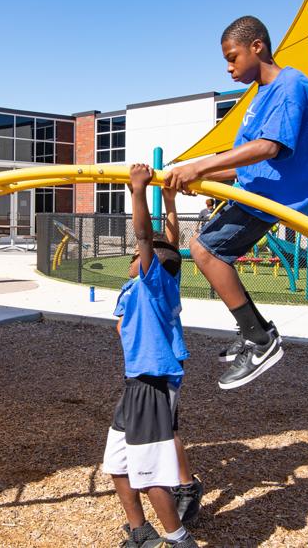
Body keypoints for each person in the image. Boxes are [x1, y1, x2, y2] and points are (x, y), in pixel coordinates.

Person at [164, 15, 308, 390]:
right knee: (208, 252)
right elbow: (247, 162)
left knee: (205, 252)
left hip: (276, 196)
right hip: (260, 190)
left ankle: (259, 338)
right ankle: (251, 329)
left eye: (232, 56)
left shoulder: (290, 85)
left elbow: (269, 148)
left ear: (258, 46)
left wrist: (201, 164)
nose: (228, 66)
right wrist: (201, 178)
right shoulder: (261, 95)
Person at [104, 163, 200, 548]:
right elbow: (169, 240)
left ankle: (178, 538)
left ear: (149, 263)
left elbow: (148, 237)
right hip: (136, 382)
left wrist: (138, 190)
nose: (136, 256)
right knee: (116, 463)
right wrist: (169, 199)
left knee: (148, 472)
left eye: (142, 255)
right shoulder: (158, 280)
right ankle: (140, 533)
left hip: (151, 381)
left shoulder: (153, 280)